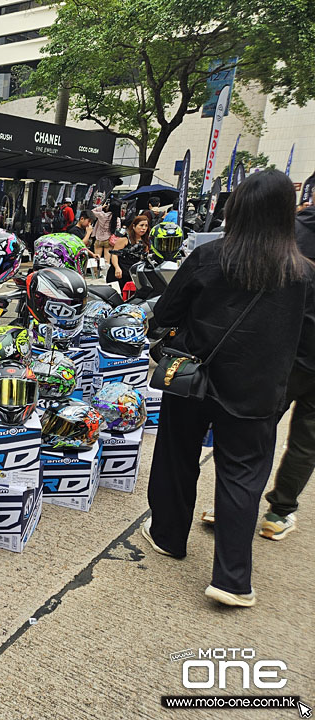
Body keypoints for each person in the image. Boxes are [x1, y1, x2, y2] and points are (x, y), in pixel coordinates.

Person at [142, 170, 315, 607]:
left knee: (177, 457)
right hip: (256, 392)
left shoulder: (208, 257)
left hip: (192, 378)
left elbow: (165, 314)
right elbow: (308, 345)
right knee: (242, 476)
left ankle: (168, 537)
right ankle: (233, 579)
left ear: (235, 209)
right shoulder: (304, 274)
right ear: (286, 214)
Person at [201, 200, 315, 541]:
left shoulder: (292, 229)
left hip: (283, 351)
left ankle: (233, 506)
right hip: (295, 352)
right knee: (307, 441)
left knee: (252, 433)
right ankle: (278, 513)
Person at [108, 214, 148, 291]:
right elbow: (114, 254)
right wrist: (117, 268)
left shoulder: (145, 241)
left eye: (146, 226)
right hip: (120, 272)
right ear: (134, 226)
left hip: (134, 273)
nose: (143, 228)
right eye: (141, 225)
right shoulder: (124, 239)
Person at [92, 198, 122, 267]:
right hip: (109, 240)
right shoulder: (117, 219)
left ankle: (96, 272)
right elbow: (117, 231)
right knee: (107, 260)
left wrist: (102, 207)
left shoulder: (102, 215)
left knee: (97, 259)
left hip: (99, 239)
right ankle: (105, 272)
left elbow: (92, 211)